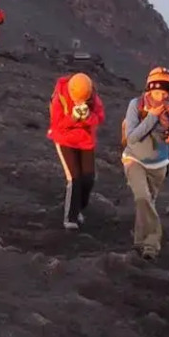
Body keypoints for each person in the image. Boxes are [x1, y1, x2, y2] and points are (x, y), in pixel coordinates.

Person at [121, 67, 169, 259]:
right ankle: (152, 244)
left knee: (147, 204)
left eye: (164, 92)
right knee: (142, 198)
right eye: (156, 91)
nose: (159, 95)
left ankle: (140, 243)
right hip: (134, 159)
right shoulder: (136, 105)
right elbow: (132, 137)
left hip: (159, 165)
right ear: (148, 89)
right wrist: (152, 117)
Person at [48, 72, 105, 230]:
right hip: (65, 139)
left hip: (85, 141)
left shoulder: (93, 97)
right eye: (77, 99)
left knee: (88, 178)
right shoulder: (60, 96)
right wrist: (73, 118)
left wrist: (87, 117)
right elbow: (56, 124)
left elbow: (99, 117)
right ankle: (71, 219)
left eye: (83, 99)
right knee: (74, 179)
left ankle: (79, 207)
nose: (79, 102)